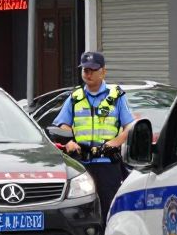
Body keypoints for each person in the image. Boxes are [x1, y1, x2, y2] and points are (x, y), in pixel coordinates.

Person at [52, 51, 134, 221]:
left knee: (108, 213)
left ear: (103, 71)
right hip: (81, 165)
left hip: (107, 165)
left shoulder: (116, 96)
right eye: (84, 70)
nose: (87, 74)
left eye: (92, 70)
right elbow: (61, 124)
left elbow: (130, 126)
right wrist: (70, 141)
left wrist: (116, 141)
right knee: (82, 214)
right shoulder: (75, 97)